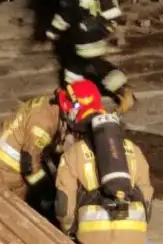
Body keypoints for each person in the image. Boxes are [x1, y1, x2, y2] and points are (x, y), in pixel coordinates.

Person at [55, 88, 154, 243]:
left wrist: (68, 230)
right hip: (134, 236)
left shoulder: (72, 154)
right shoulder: (134, 149)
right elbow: (147, 197)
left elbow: (64, 208)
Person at [46, 0, 134, 113]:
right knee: (75, 66)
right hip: (96, 32)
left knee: (94, 66)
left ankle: (122, 90)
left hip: (83, 37)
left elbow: (66, 14)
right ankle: (72, 95)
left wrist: (53, 30)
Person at [0, 82, 95, 199]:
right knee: (15, 203)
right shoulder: (44, 123)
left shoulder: (52, 106)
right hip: (5, 165)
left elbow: (46, 143)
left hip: (11, 152)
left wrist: (61, 149)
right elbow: (29, 165)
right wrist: (45, 191)